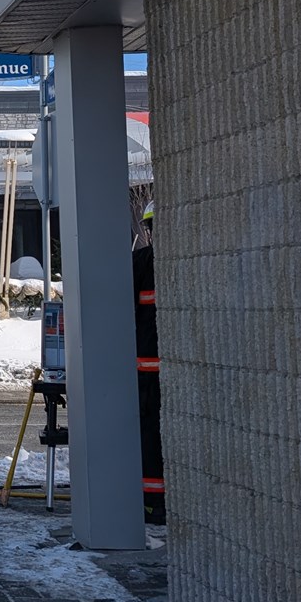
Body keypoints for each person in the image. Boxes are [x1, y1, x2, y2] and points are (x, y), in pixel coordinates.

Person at [135, 202, 165, 525]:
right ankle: (155, 503)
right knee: (152, 440)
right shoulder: (143, 264)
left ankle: (154, 504)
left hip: (146, 376)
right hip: (149, 375)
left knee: (151, 439)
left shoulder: (141, 263)